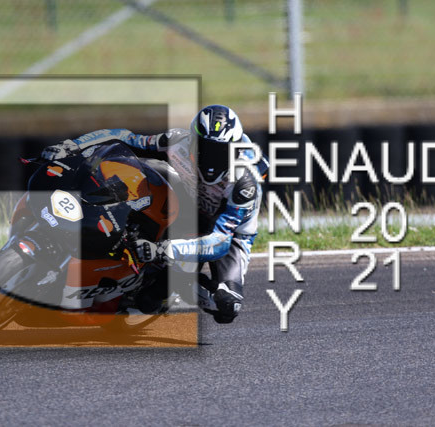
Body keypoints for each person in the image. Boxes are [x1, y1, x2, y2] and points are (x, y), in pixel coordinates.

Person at [41, 105, 267, 323]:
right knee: (141, 171)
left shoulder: (245, 182)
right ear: (192, 140)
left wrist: (162, 249)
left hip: (229, 232)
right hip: (188, 201)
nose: (211, 159)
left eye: (220, 152)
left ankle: (182, 283)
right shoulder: (177, 140)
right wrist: (72, 145)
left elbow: (220, 242)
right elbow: (123, 137)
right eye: (204, 148)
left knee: (226, 307)